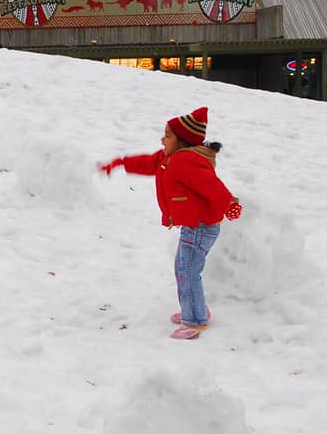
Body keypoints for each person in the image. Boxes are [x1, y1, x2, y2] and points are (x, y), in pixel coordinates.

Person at [98, 107, 242, 340]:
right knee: (186, 269)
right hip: (195, 225)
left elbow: (211, 186)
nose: (162, 138)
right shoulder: (169, 158)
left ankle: (194, 320)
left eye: (167, 135)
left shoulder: (187, 161)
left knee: (187, 271)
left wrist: (229, 204)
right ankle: (196, 308)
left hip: (201, 226)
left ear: (182, 140)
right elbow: (147, 163)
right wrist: (122, 163)